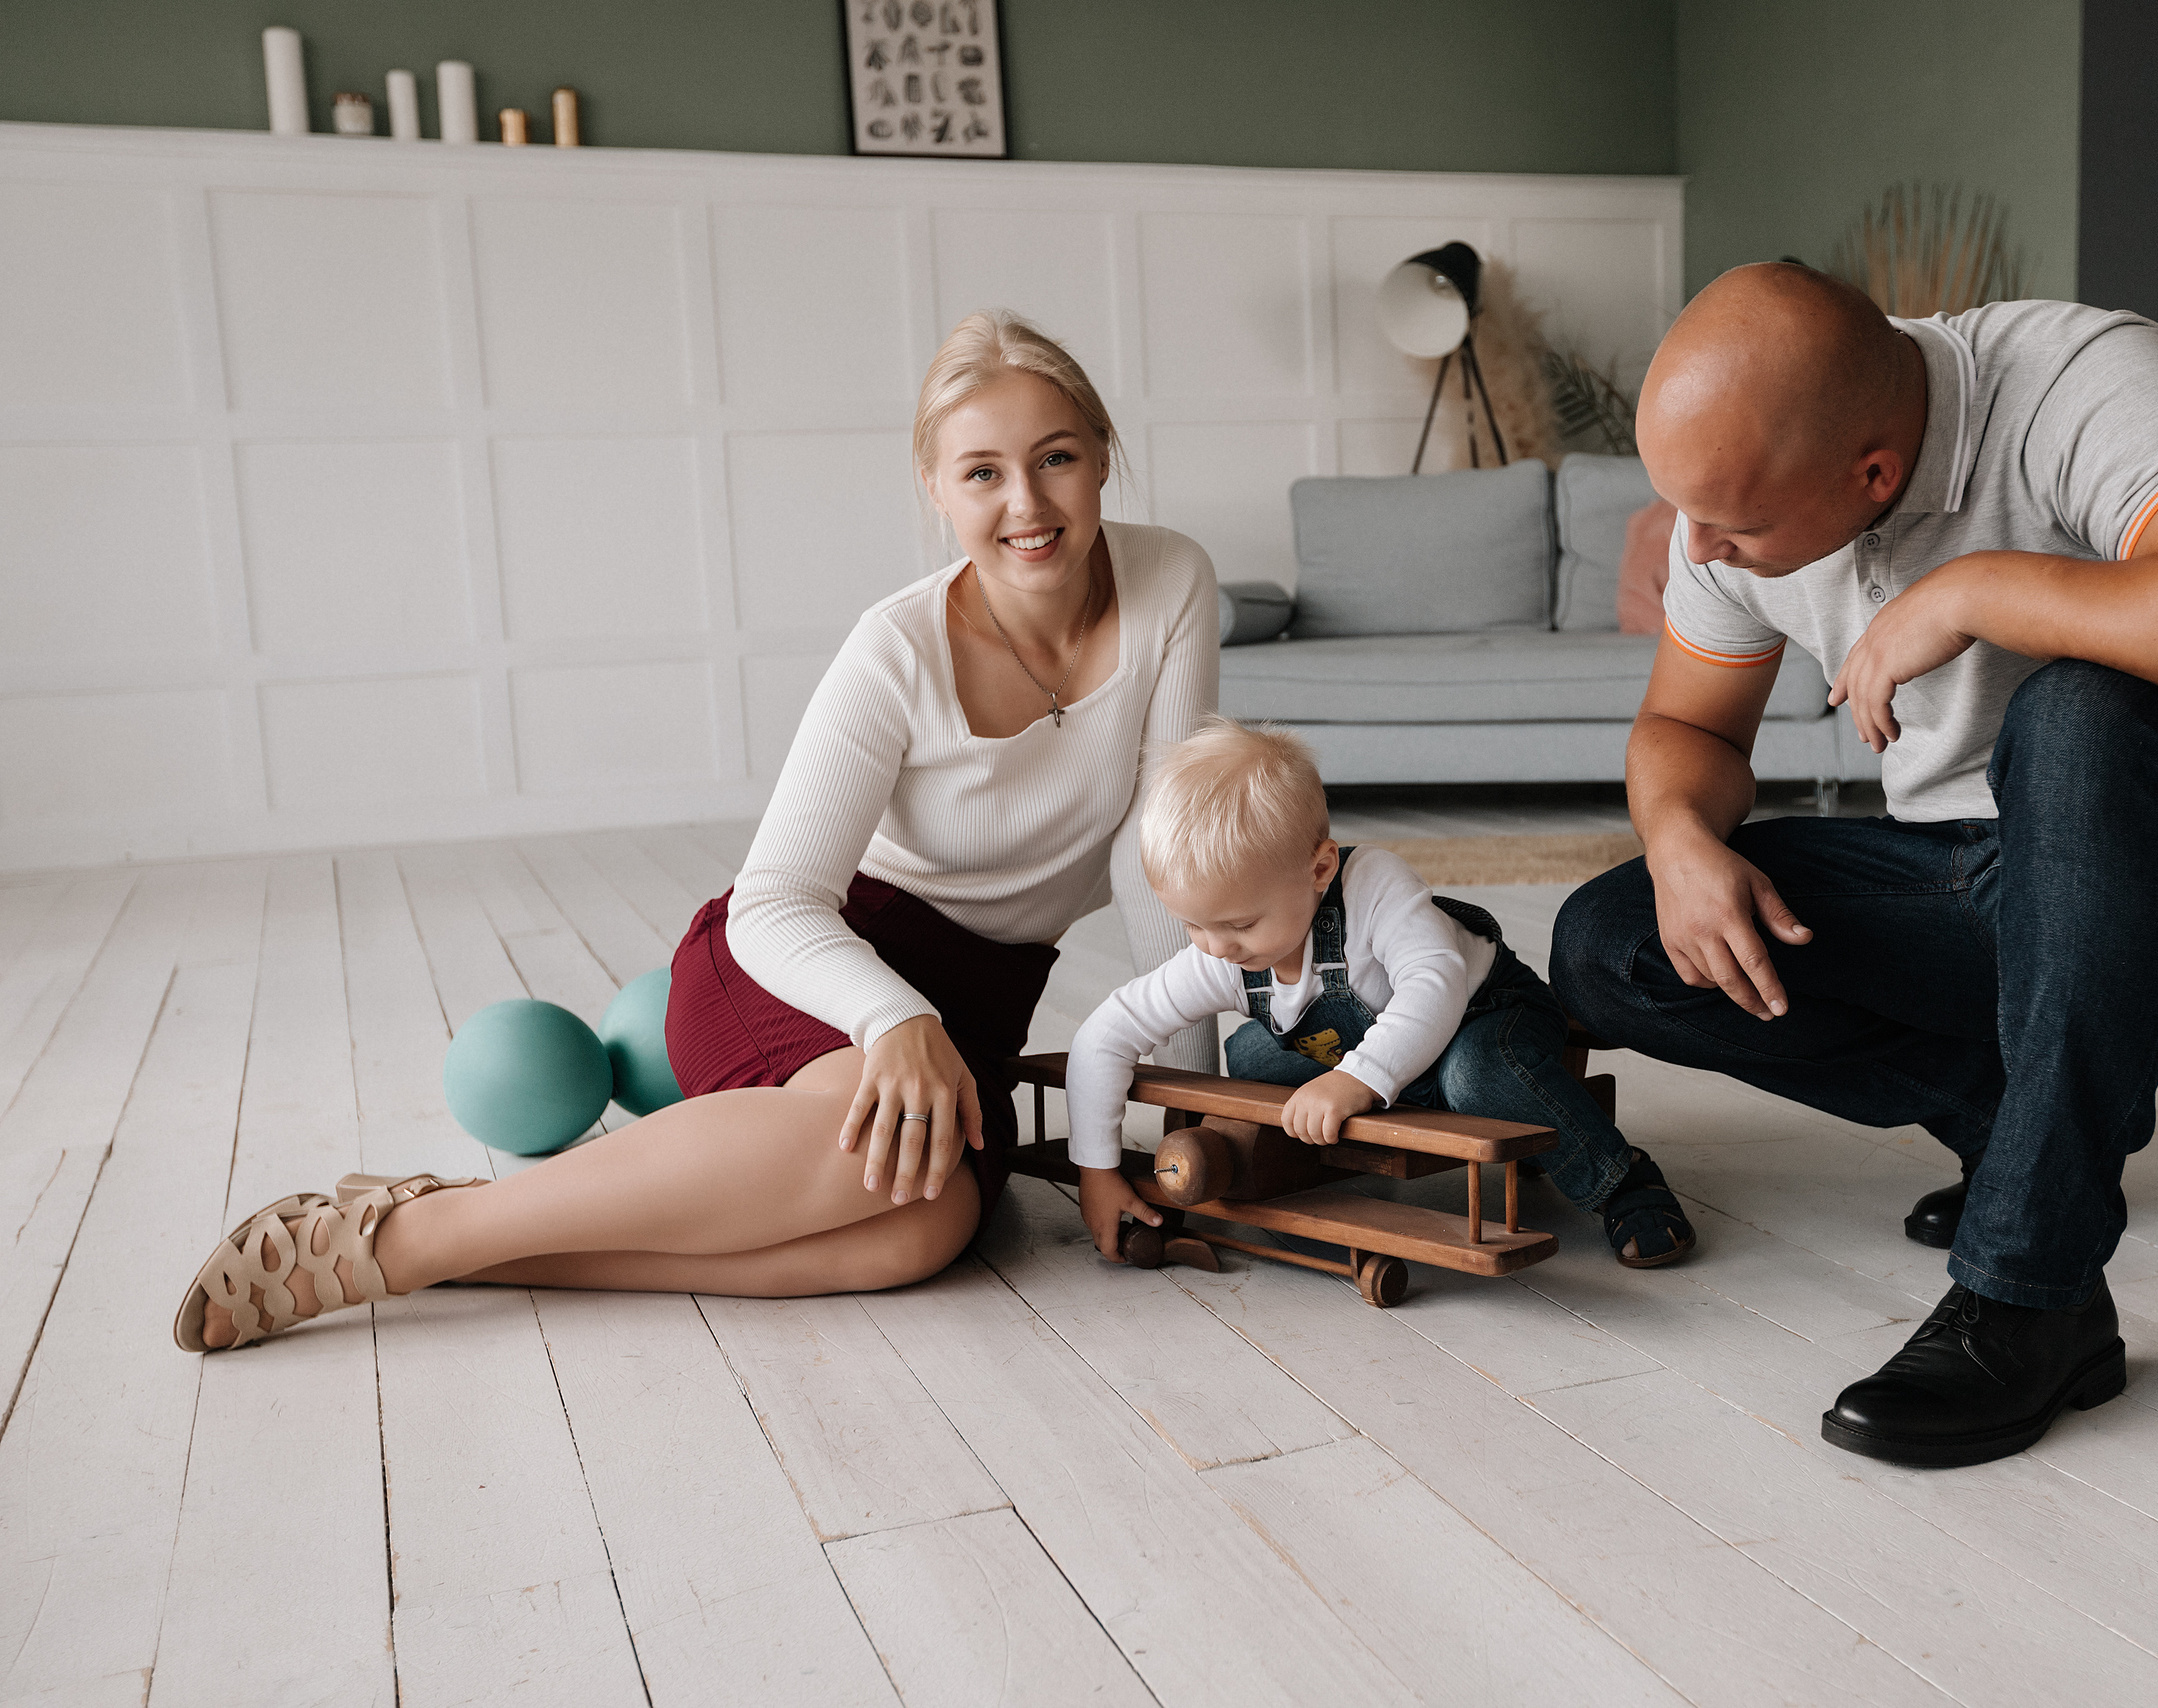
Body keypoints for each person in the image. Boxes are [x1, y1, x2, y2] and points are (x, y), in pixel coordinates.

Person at [174, 311, 1219, 1352]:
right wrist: (893, 1019)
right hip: (811, 968)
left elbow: (1160, 857)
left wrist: (1198, 1120)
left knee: (924, 1231)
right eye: (983, 472)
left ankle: (446, 1243)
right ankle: (404, 1237)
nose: (1026, 503)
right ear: (935, 491)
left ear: (1102, 459)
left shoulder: (1170, 581)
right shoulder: (893, 649)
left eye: (1056, 459)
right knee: (877, 1151)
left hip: (974, 1012)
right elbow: (775, 901)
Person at [1550, 264, 2158, 1466]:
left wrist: (1978, 590)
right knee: (1610, 943)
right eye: (1687, 512)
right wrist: (1677, 842)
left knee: (2077, 713)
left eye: (1732, 525)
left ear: (1871, 475)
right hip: (1971, 880)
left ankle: (2031, 1290)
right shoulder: (1728, 501)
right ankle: (2014, 1133)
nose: (1700, 546)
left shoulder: (2071, 383)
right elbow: (1687, 731)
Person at [1066, 718, 1693, 1266]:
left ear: (1319, 868)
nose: (1215, 946)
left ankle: (1622, 1183)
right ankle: (1356, 1137)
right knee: (1253, 1056)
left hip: (1482, 1017)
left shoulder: (1373, 886)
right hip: (1382, 1060)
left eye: (1239, 924)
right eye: (1192, 924)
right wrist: (1095, 1168)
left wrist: (1355, 1079)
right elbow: (1107, 1033)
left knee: (1478, 1076)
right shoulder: (1223, 950)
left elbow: (1434, 981)